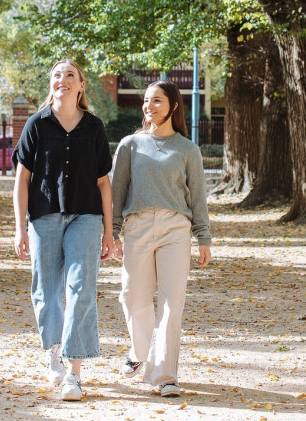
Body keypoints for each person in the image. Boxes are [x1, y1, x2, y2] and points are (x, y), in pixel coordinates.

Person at [12, 58, 114, 402]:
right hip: (44, 217)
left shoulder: (94, 127)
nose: (63, 79)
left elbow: (103, 183)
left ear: (81, 85)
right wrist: (20, 228)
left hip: (86, 217)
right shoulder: (36, 125)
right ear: (51, 84)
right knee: (46, 288)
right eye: (57, 74)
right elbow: (22, 179)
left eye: (71, 75)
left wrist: (109, 232)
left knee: (81, 288)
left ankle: (74, 374)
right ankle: (53, 351)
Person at [110, 79, 212, 399]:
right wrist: (111, 232)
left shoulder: (187, 149)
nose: (149, 106)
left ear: (173, 106)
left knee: (171, 303)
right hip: (137, 226)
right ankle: (141, 352)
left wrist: (203, 237)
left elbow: (198, 197)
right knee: (131, 297)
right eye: (146, 101)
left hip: (175, 229)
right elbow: (116, 193)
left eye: (157, 101)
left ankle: (165, 375)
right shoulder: (129, 145)